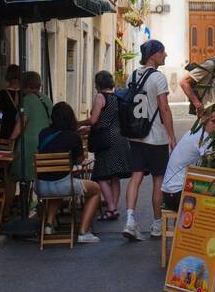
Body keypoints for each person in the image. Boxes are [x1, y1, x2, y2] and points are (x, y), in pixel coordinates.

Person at [123, 40, 176, 242]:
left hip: (135, 135)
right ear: (153, 55)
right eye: (162, 52)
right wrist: (171, 136)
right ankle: (156, 224)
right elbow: (164, 108)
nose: (165, 55)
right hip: (156, 138)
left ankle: (129, 220)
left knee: (136, 177)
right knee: (158, 179)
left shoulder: (133, 75)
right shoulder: (158, 78)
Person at [36, 101, 102, 243]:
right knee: (96, 190)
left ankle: (48, 225)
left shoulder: (43, 133)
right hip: (63, 184)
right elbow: (80, 161)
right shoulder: (73, 136)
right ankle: (83, 232)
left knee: (57, 184)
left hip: (40, 186)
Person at [85, 70, 130, 220]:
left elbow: (94, 120)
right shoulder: (118, 97)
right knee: (115, 176)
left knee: (101, 175)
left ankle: (110, 207)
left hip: (106, 139)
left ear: (98, 84)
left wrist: (81, 123)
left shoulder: (100, 97)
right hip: (121, 138)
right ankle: (113, 208)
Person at [161, 110, 215, 212]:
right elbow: (214, 160)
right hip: (177, 194)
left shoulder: (192, 132)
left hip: (170, 193)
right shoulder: (203, 138)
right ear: (203, 120)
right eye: (213, 122)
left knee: (213, 189)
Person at [10, 70, 52, 192]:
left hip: (27, 145)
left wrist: (11, 140)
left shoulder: (27, 100)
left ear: (25, 84)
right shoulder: (46, 99)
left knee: (14, 176)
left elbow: (22, 122)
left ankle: (10, 207)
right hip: (44, 144)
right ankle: (33, 205)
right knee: (37, 176)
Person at [0, 65, 21, 140]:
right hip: (22, 130)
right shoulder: (25, 94)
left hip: (6, 130)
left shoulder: (1, 94)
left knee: (5, 150)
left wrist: (6, 121)